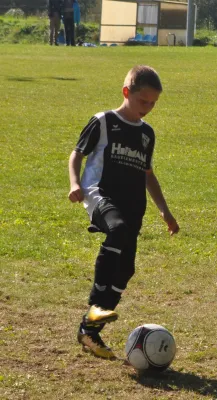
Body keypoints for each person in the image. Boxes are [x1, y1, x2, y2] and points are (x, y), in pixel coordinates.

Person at [68, 65, 180, 359]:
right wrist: (75, 183)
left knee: (125, 270)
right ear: (126, 92)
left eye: (153, 103)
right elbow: (76, 154)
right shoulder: (103, 121)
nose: (148, 108)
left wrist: (165, 212)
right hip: (99, 194)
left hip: (133, 206)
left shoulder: (146, 134)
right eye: (144, 101)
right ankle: (96, 303)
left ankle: (89, 332)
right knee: (116, 230)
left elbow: (148, 174)